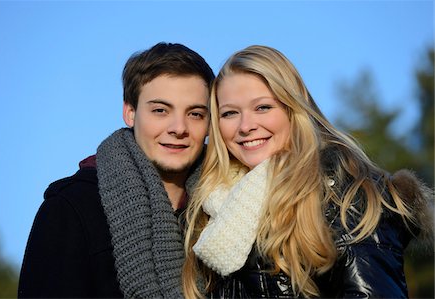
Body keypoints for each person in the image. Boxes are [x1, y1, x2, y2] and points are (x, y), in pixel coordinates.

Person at [182, 45, 433, 298]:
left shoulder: (345, 191)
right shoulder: (214, 203)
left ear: (293, 109)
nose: (246, 126)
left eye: (263, 108)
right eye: (230, 113)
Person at [18, 42, 215, 298]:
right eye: (160, 110)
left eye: (195, 114)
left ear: (211, 123)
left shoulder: (228, 209)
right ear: (130, 113)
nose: (179, 127)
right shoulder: (71, 209)